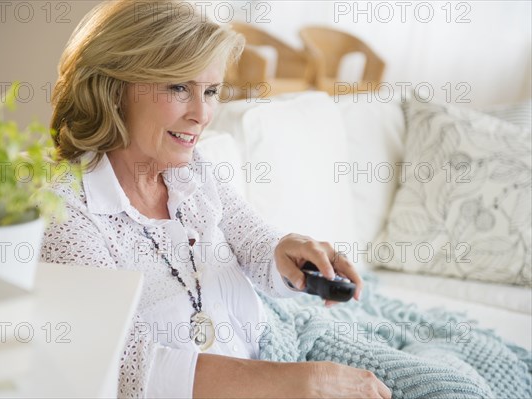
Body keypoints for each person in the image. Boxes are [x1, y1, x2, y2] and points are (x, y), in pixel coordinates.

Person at [42, 1, 391, 398]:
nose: (202, 114)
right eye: (178, 87)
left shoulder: (194, 172)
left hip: (277, 349)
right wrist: (305, 382)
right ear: (113, 89)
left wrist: (285, 252)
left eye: (210, 91)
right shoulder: (66, 215)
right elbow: (127, 368)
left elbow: (254, 241)